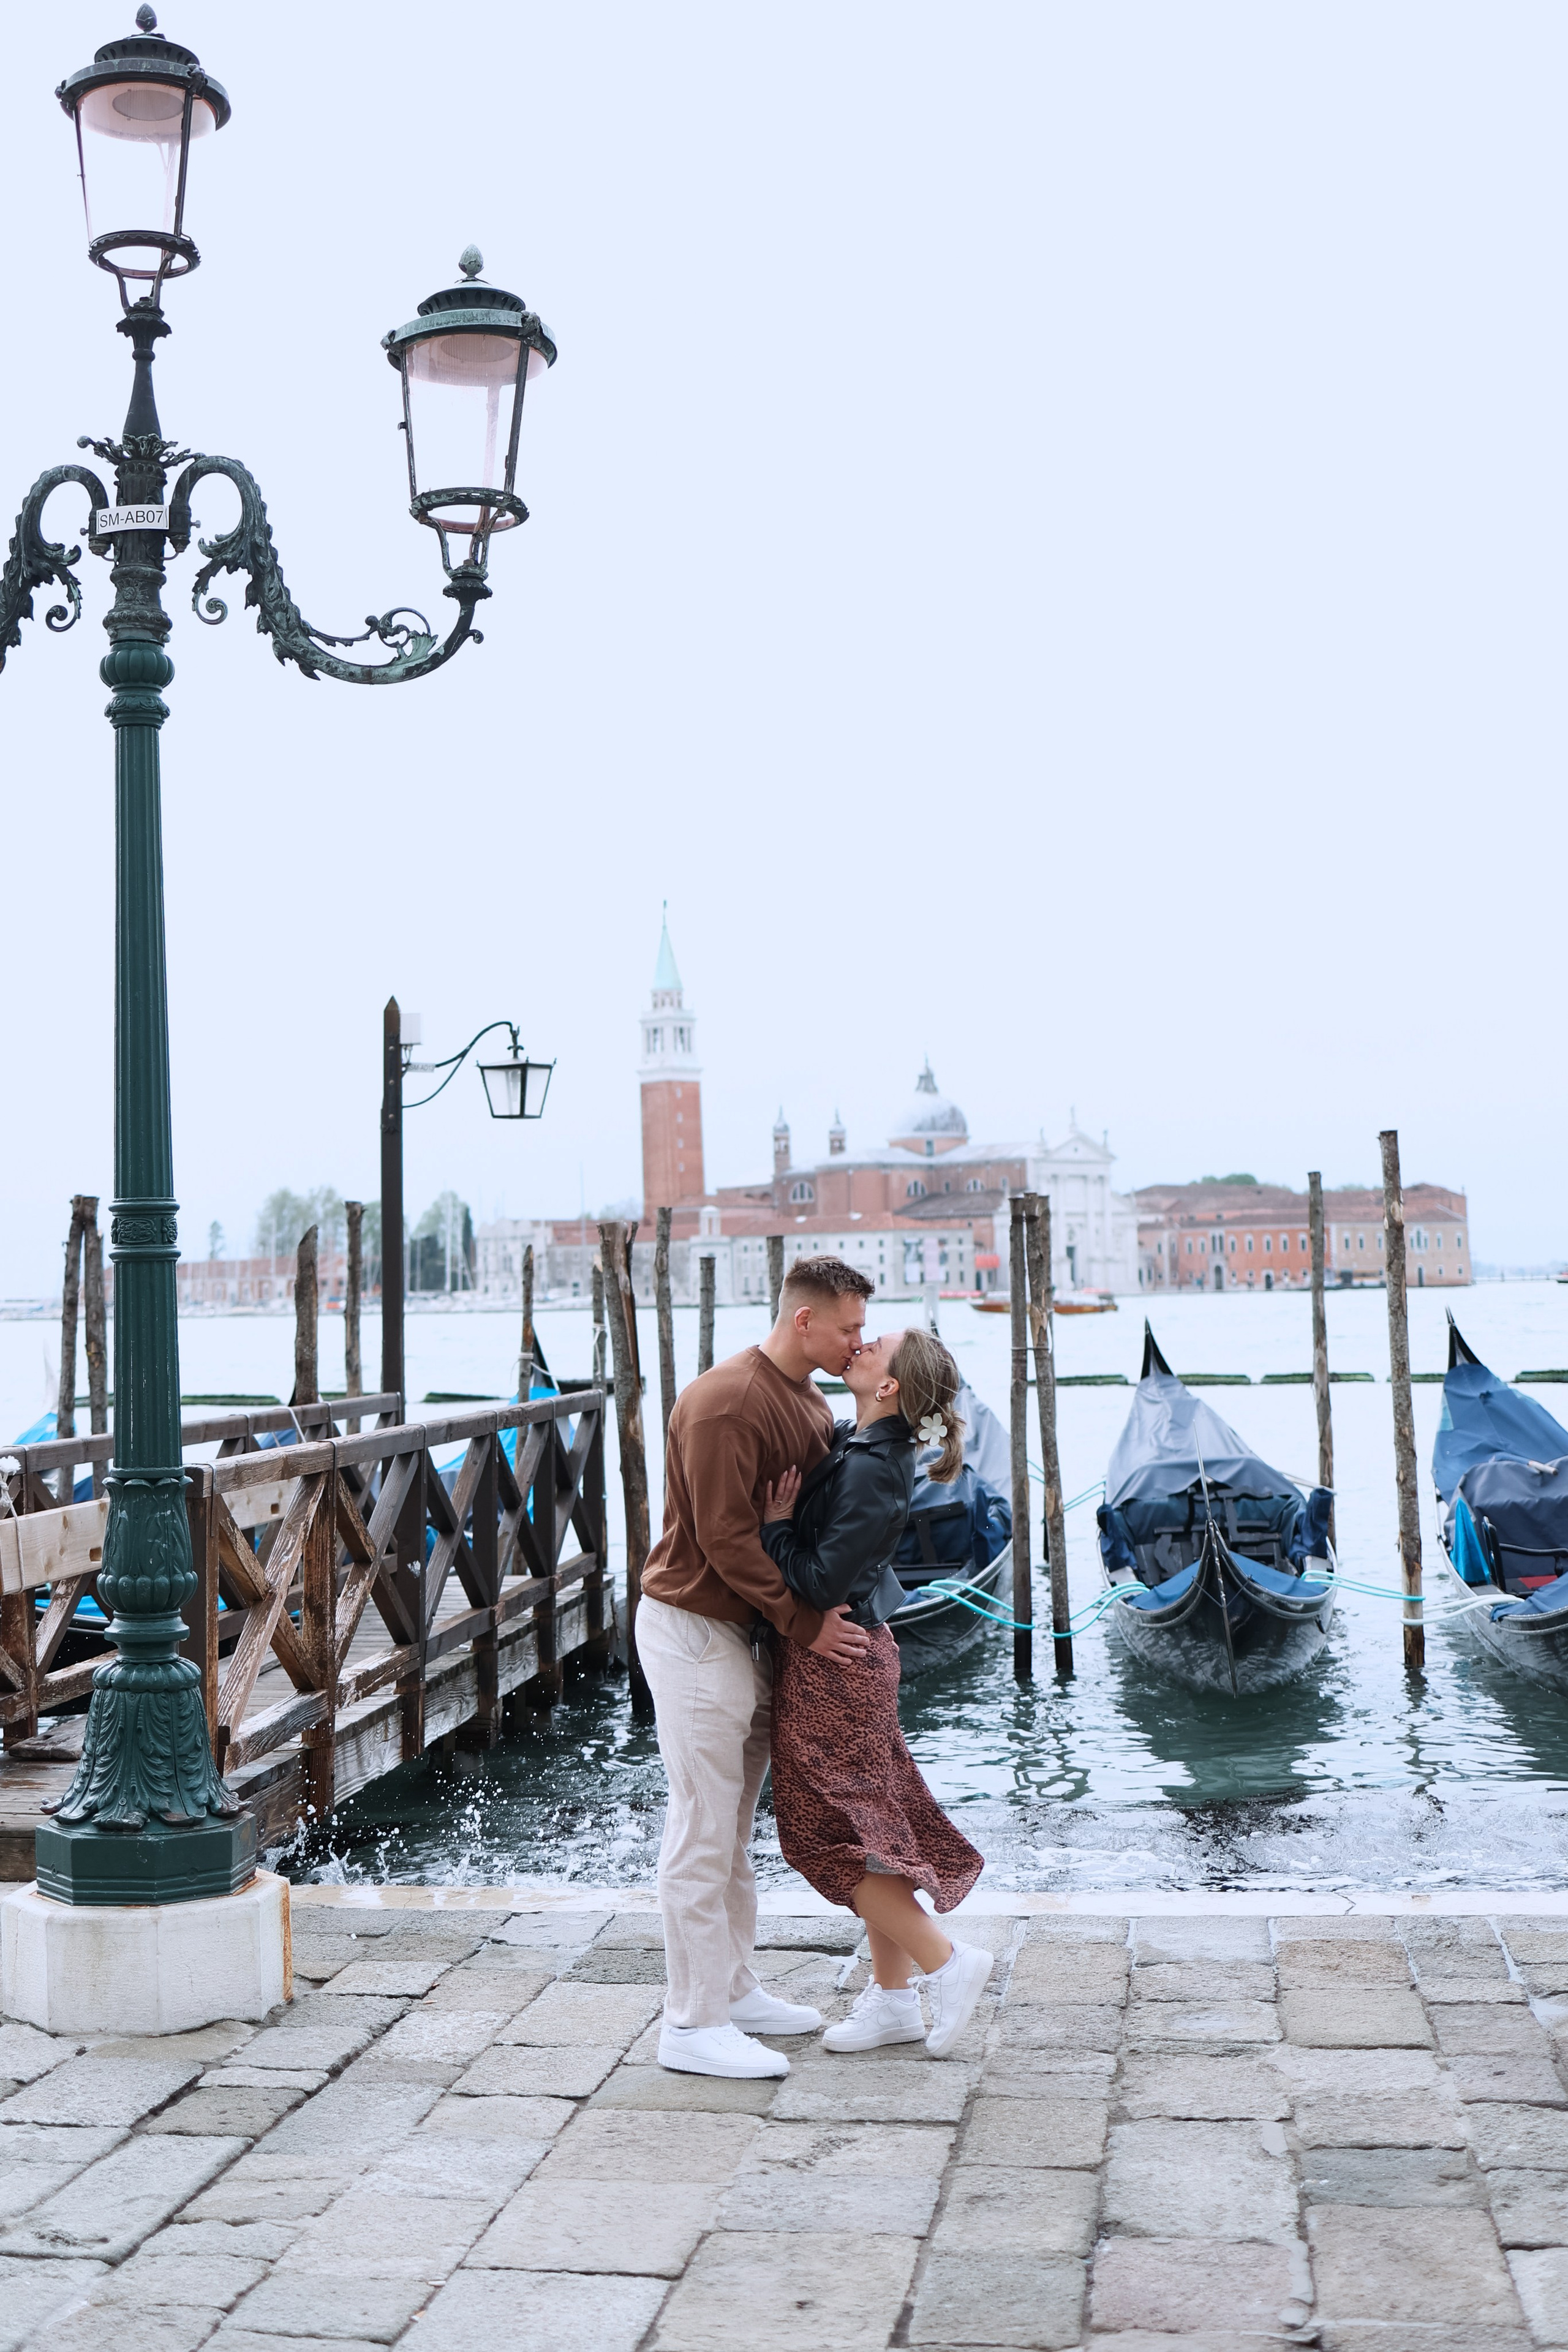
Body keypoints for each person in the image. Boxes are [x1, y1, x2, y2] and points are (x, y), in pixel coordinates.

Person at [638, 1256, 877, 2079]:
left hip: (746, 1637)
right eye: (848, 1327)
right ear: (804, 1319)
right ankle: (691, 2024)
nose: (860, 1341)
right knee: (702, 1829)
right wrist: (806, 1625)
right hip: (697, 1631)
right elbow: (724, 1541)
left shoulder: (808, 1397)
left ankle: (733, 1990)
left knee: (732, 1828)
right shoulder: (726, 1404)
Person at [761, 1326, 992, 2056]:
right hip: (856, 1660)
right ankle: (893, 2003)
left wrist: (772, 1531)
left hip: (837, 1665)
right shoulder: (860, 1446)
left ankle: (946, 1964)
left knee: (822, 1837)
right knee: (872, 1838)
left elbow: (821, 1583)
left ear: (889, 1386)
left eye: (874, 1348)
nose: (858, 1346)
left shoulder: (872, 1466)